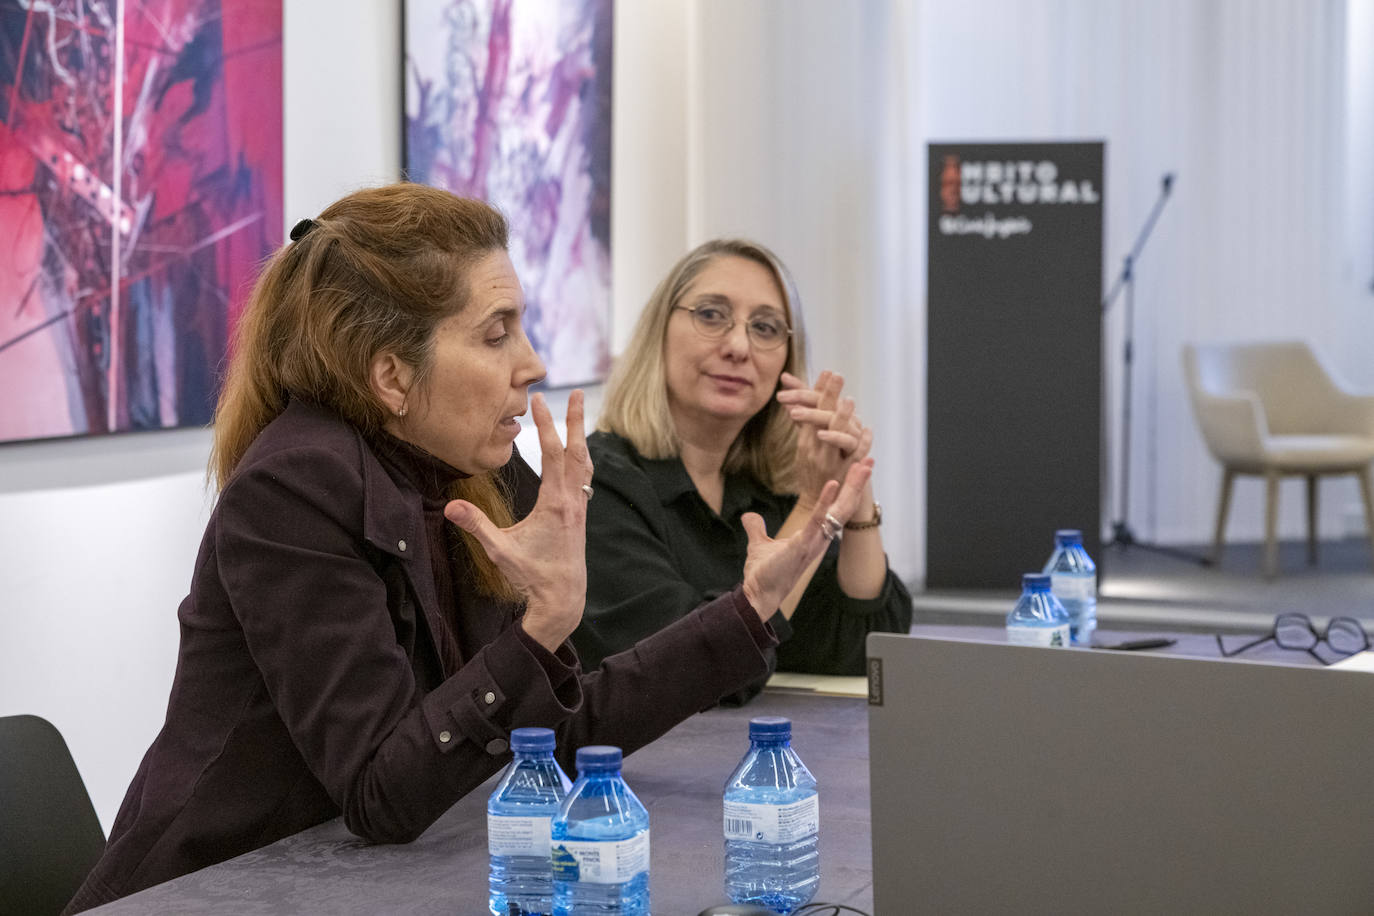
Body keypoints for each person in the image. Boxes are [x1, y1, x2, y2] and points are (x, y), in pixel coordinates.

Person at [63, 187, 873, 912]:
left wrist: (749, 608)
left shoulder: (473, 471)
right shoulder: (295, 487)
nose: (533, 364)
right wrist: (539, 630)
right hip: (207, 888)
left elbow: (557, 734)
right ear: (392, 376)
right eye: (496, 334)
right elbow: (380, 795)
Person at [573, 239, 912, 700]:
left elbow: (869, 646)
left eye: (765, 327)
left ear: (787, 361)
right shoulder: (595, 484)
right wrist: (815, 508)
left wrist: (853, 484)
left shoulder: (767, 489)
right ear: (659, 332)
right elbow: (697, 671)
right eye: (711, 315)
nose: (738, 346)